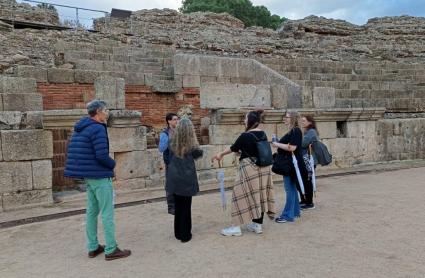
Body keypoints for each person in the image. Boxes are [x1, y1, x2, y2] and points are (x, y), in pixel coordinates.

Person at [64, 99, 131, 261]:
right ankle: (111, 249)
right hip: (99, 176)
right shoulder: (98, 129)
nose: (107, 113)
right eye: (106, 110)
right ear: (99, 112)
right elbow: (101, 155)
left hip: (88, 176)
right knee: (107, 212)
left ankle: (93, 247)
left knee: (92, 212)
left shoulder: (81, 128)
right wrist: (113, 165)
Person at [212, 110, 275, 236]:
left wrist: (220, 154)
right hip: (263, 169)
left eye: (245, 118)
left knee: (239, 196)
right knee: (259, 195)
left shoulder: (245, 135)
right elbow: (255, 150)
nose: (244, 121)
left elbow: (233, 148)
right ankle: (257, 225)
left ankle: (236, 227)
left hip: (249, 169)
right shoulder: (263, 134)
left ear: (250, 121)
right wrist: (243, 152)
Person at [165, 118, 203, 243]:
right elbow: (199, 155)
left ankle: (178, 233)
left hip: (174, 177)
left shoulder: (171, 142)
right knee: (186, 206)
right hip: (186, 178)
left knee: (178, 206)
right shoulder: (192, 146)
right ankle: (185, 234)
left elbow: (167, 158)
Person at [272, 111, 306, 223]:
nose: (284, 119)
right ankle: (295, 211)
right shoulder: (294, 131)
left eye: (286, 117)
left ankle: (287, 215)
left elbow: (292, 147)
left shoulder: (295, 131)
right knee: (292, 188)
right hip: (291, 164)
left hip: (291, 165)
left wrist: (276, 144)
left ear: (292, 118)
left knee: (289, 189)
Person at [158, 112, 179, 215]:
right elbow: (161, 149)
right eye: (174, 119)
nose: (177, 121)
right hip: (170, 163)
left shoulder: (180, 132)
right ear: (169, 121)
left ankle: (179, 205)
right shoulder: (164, 133)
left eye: (177, 119)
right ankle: (171, 207)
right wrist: (170, 139)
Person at [300, 115, 320, 210]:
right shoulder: (308, 132)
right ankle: (304, 200)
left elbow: (303, 143)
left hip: (310, 160)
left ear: (310, 122)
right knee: (304, 180)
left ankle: (309, 202)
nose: (302, 122)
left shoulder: (311, 132)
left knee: (308, 181)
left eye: (304, 121)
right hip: (306, 159)